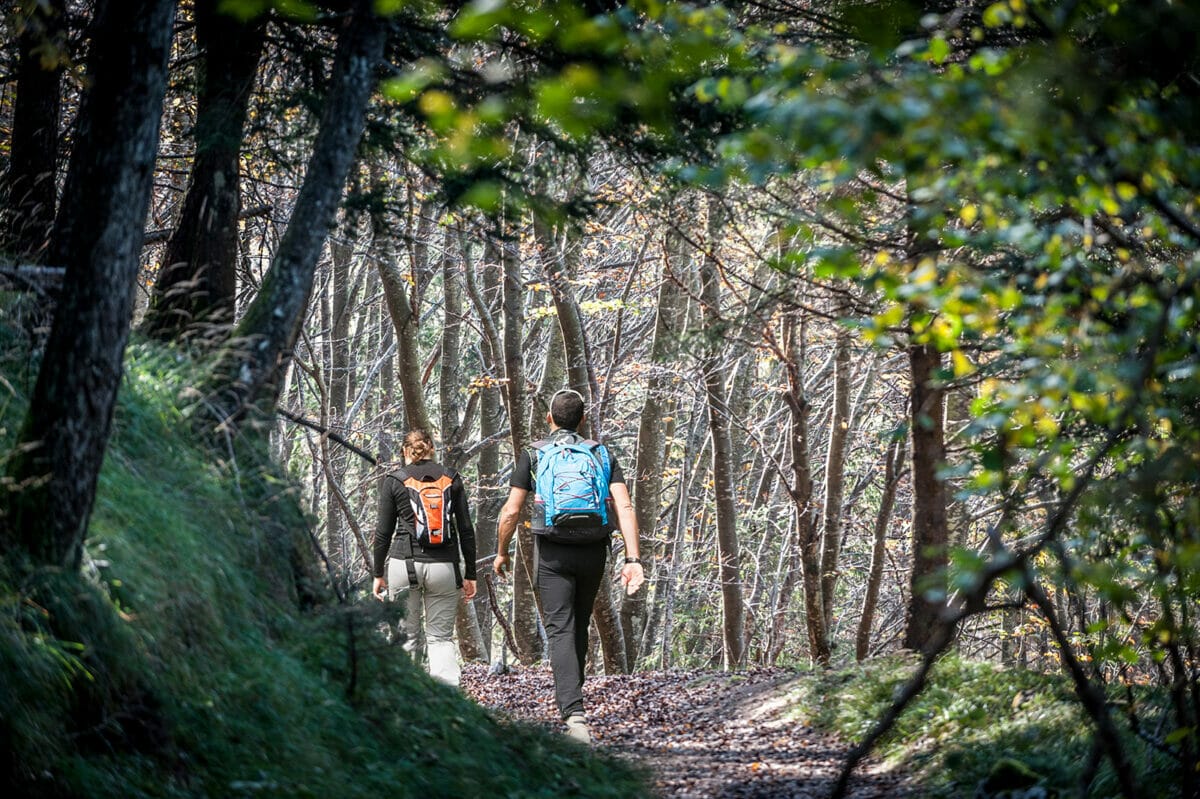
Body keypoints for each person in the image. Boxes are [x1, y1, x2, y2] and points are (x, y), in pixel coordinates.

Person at [494, 388, 644, 743]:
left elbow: (512, 510)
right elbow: (624, 507)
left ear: (549, 419)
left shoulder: (534, 454)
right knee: (578, 623)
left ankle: (573, 713)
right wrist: (632, 558)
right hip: (593, 548)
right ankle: (573, 700)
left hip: (552, 550)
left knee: (559, 626)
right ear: (583, 419)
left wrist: (502, 550)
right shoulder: (601, 453)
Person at [373, 430, 477, 687]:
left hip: (402, 563)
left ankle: (406, 700)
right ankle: (448, 702)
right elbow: (465, 529)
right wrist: (470, 573)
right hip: (444, 566)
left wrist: (377, 573)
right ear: (432, 447)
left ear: (405, 451)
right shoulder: (451, 478)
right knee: (440, 638)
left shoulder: (394, 480)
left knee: (406, 637)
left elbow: (383, 532)